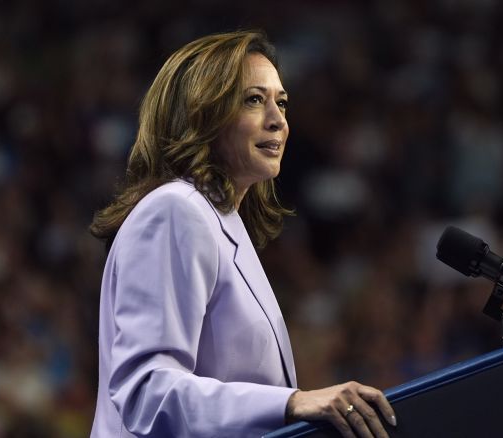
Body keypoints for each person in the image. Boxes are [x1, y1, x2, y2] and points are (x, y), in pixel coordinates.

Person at [88, 30, 397, 438]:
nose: (279, 120)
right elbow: (146, 392)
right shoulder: (175, 210)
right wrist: (292, 402)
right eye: (254, 99)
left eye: (281, 102)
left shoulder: (221, 222)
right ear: (201, 113)